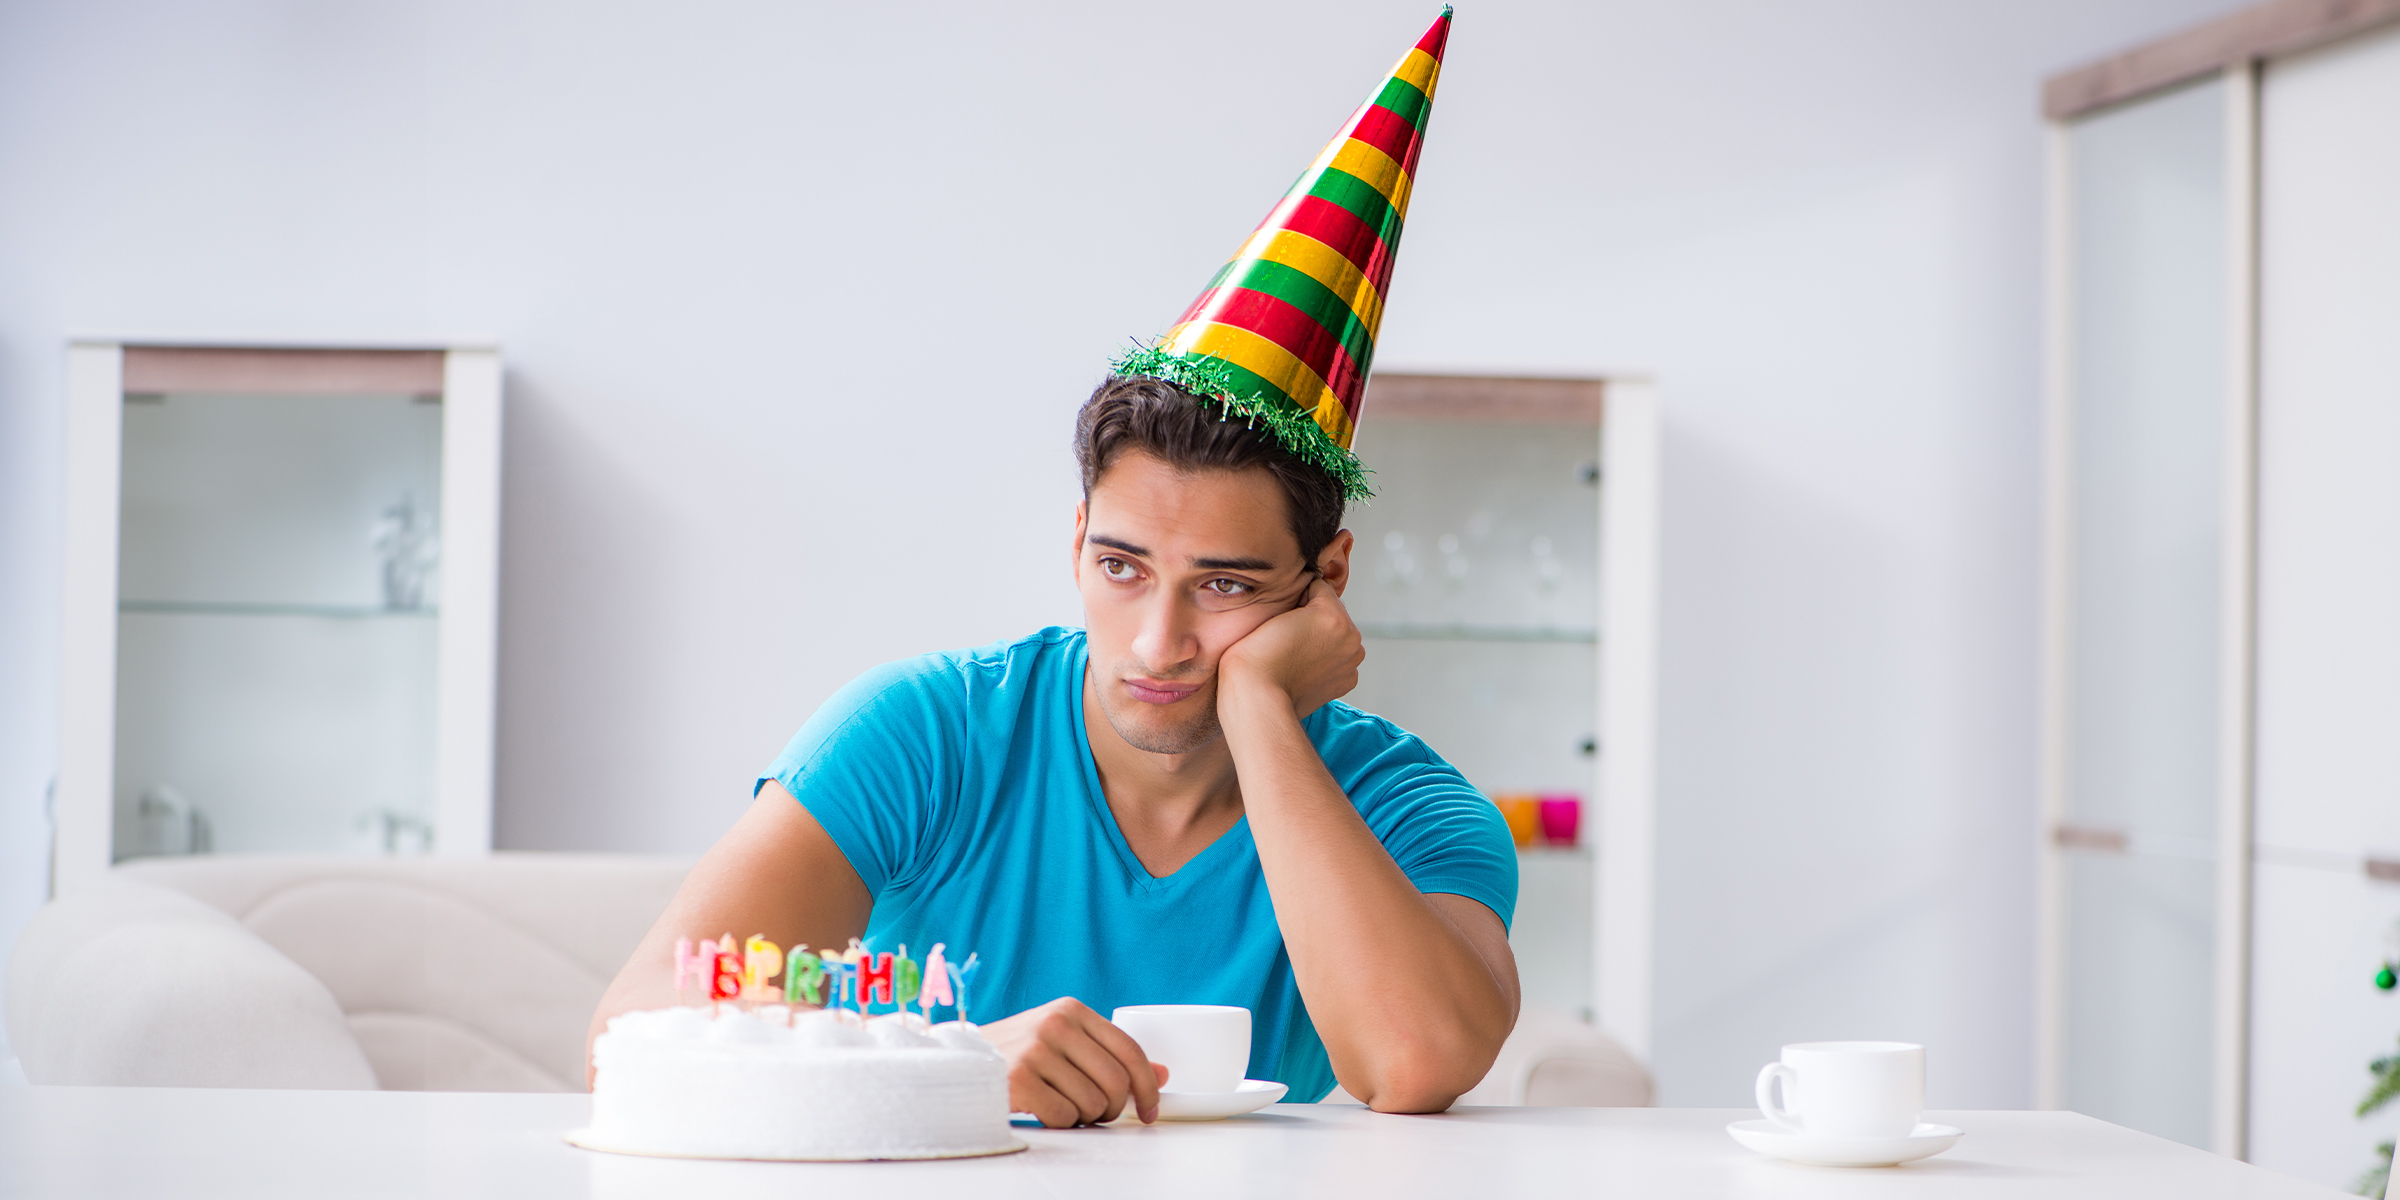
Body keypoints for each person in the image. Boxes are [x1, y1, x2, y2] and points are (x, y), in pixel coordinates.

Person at [587, 8, 1518, 1127]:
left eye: (1223, 585)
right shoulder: (921, 734)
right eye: (1123, 567)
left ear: (1326, 578)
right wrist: (958, 1058)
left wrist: (1263, 710)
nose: (1157, 641)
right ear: (1077, 543)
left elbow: (1416, 1066)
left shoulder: (1406, 804)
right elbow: (635, 1031)